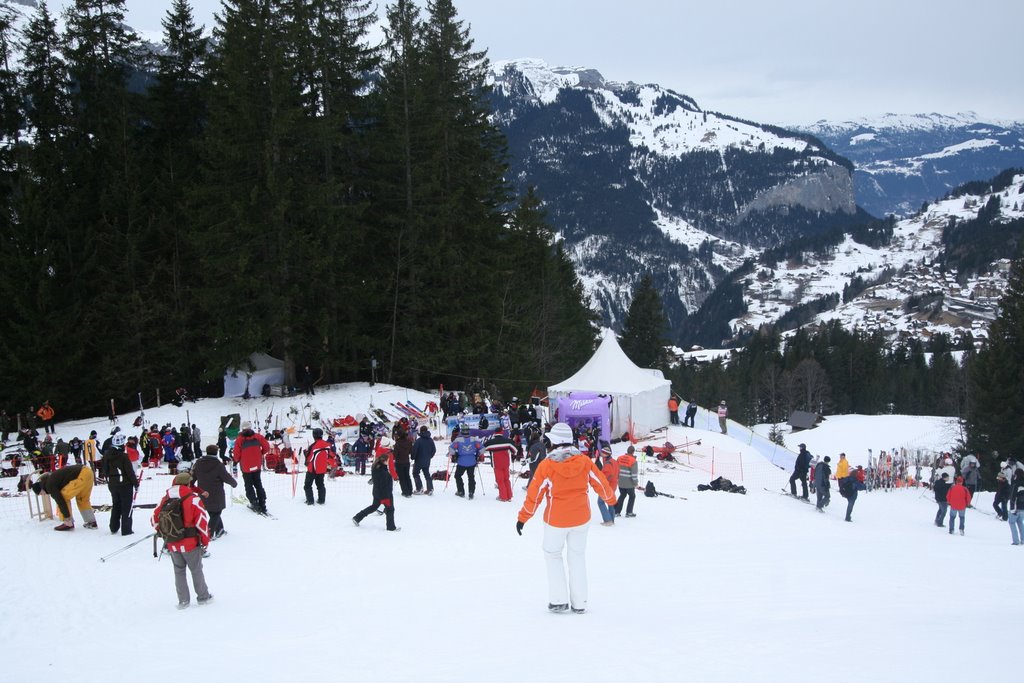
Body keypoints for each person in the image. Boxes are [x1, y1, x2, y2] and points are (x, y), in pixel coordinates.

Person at [516, 422, 617, 614]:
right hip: (581, 518)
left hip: (556, 520)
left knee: (553, 555)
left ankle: (558, 600)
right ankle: (580, 603)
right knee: (577, 557)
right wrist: (611, 500)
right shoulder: (585, 461)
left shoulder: (547, 465)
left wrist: (523, 518)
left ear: (553, 442)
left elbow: (534, 495)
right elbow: (601, 483)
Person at [152, 472, 213, 609]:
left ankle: (183, 600)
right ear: (188, 483)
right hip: (190, 542)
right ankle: (203, 597)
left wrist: (163, 532)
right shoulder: (193, 499)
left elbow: (154, 519)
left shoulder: (165, 499)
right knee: (196, 569)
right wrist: (205, 540)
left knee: (179, 571)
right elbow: (202, 522)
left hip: (172, 542)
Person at [31, 464, 98, 531]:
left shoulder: (49, 486)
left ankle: (68, 522)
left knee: (63, 497)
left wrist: (66, 516)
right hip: (87, 471)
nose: (43, 495)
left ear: (41, 488)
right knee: (82, 499)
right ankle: (91, 522)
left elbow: (60, 501)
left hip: (80, 475)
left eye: (41, 493)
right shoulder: (51, 479)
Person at [192, 445, 237, 539]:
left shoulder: (198, 463)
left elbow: (193, 477)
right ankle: (209, 534)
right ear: (216, 453)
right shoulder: (218, 464)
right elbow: (225, 477)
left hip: (203, 492)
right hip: (216, 492)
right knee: (216, 512)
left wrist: (189, 485)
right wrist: (234, 483)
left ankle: (220, 529)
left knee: (212, 511)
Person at [101, 432, 139, 536]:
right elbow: (129, 472)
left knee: (116, 505)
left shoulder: (106, 456)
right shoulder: (123, 456)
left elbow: (105, 470)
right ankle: (126, 530)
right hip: (125, 485)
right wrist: (136, 483)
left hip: (113, 484)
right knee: (127, 507)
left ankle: (113, 527)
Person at [352, 448, 398, 531]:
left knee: (373, 507)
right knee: (390, 509)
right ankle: (391, 527)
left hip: (376, 492)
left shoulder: (376, 468)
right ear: (384, 461)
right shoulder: (384, 473)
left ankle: (357, 517)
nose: (388, 462)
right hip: (385, 494)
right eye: (388, 460)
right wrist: (386, 498)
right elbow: (383, 486)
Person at [233, 421, 271, 515]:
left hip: (246, 466)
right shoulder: (258, 437)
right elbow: (266, 447)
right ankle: (262, 502)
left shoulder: (239, 439)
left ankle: (254, 502)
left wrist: (236, 460)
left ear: (242, 429)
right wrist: (261, 453)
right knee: (258, 483)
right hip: (257, 464)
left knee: (248, 484)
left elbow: (236, 454)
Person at [483, 425, 516, 502]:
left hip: (496, 463)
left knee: (500, 480)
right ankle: (509, 496)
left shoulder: (491, 442)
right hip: (506, 463)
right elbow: (515, 450)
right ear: (502, 432)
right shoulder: (508, 441)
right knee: (506, 479)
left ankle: (503, 497)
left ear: (495, 433)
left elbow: (482, 449)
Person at [448, 426, 482, 499]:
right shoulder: (474, 439)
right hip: (472, 461)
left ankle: (460, 491)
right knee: (471, 477)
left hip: (461, 462)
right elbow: (482, 448)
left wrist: (455, 454)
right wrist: (478, 454)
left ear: (461, 431)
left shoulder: (458, 440)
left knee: (457, 476)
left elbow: (450, 449)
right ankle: (471, 492)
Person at [303, 428, 333, 505]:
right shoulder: (327, 445)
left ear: (314, 435)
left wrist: (305, 454)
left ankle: (310, 501)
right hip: (322, 469)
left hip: (312, 469)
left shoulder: (313, 446)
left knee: (307, 485)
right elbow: (331, 455)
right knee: (320, 484)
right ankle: (321, 500)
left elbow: (309, 458)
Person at [595, 442, 618, 526]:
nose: (601, 454)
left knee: (600, 502)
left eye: (602, 453)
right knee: (610, 502)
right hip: (614, 485)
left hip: (607, 486)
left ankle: (607, 520)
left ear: (605, 454)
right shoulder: (614, 461)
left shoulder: (608, 464)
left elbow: (606, 477)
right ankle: (611, 519)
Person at [614, 445, 639, 518]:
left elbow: (616, 469)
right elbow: (634, 474)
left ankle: (617, 511)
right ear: (633, 452)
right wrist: (636, 483)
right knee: (632, 496)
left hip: (620, 482)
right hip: (629, 483)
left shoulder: (619, 458)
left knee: (622, 495)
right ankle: (629, 512)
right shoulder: (633, 461)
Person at [411, 425, 436, 495]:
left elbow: (414, 451)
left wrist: (413, 457)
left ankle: (419, 488)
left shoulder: (418, 441)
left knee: (415, 473)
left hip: (418, 460)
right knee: (427, 474)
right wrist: (429, 456)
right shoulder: (430, 440)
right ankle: (430, 488)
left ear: (421, 431)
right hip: (427, 460)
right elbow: (434, 450)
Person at [392, 428, 414, 498]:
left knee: (402, 477)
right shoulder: (409, 442)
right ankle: (410, 490)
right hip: (406, 461)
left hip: (399, 462)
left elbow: (395, 455)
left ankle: (405, 492)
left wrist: (392, 451)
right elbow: (410, 451)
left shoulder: (397, 444)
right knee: (407, 476)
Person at [1008, 469, 1024, 545]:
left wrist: (1012, 508)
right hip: (1023, 508)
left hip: (1016, 507)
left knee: (1012, 522)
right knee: (1020, 523)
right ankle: (1023, 540)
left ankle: (1015, 541)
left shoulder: (1015, 483)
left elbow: (1012, 496)